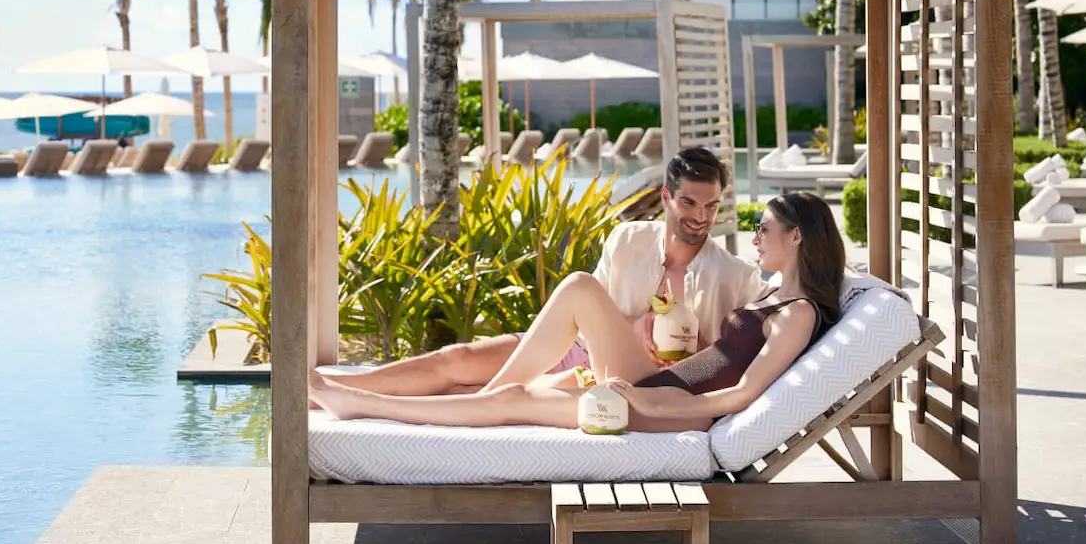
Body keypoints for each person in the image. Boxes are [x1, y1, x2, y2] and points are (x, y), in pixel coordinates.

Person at [308, 190, 845, 433]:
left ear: (796, 237)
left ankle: (358, 403)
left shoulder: (797, 312)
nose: (754, 236)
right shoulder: (772, 294)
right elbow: (721, 358)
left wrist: (649, 402)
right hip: (661, 383)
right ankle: (361, 398)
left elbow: (742, 394)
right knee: (575, 298)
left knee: (516, 397)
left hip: (672, 407)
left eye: (765, 229)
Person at [316, 147, 764, 400]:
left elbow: (755, 330)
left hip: (619, 379)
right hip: (576, 348)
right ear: (666, 198)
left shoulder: (735, 275)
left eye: (711, 205)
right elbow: (589, 319)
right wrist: (635, 324)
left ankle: (392, 402)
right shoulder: (627, 240)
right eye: (689, 203)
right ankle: (333, 386)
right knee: (458, 360)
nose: (701, 217)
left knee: (479, 388)